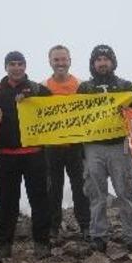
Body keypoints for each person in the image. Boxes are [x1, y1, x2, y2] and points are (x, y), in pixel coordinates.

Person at [77, 44, 132, 253]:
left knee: (125, 192)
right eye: (98, 60)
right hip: (92, 146)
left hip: (120, 145)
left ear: (113, 62)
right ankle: (98, 236)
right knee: (96, 194)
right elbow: (74, 117)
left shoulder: (124, 85)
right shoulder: (84, 88)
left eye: (106, 59)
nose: (102, 63)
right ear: (93, 64)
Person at [0, 51, 53, 260]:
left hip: (35, 155)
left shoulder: (38, 90)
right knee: (7, 202)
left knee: (39, 200)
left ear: (25, 66)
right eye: (12, 64)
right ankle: (4, 245)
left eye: (20, 64)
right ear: (6, 67)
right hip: (5, 156)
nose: (17, 68)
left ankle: (42, 243)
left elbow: (58, 113)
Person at [41, 45, 91, 241]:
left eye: (63, 59)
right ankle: (53, 227)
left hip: (76, 146)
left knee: (80, 188)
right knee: (53, 189)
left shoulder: (82, 85)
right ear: (50, 62)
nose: (60, 63)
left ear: (70, 61)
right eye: (56, 60)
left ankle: (85, 226)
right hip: (51, 147)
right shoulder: (42, 87)